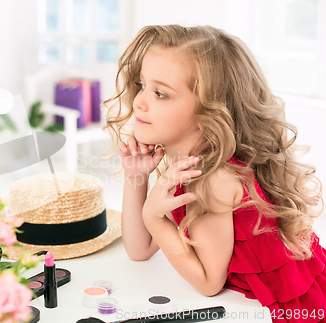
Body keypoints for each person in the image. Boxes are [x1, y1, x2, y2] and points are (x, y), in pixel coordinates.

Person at [104, 25, 325, 323]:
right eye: (142, 84)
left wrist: (154, 217)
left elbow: (208, 282)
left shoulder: (213, 179)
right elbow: (140, 249)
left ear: (208, 114)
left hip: (295, 311)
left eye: (160, 93)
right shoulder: (189, 163)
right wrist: (137, 178)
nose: (139, 101)